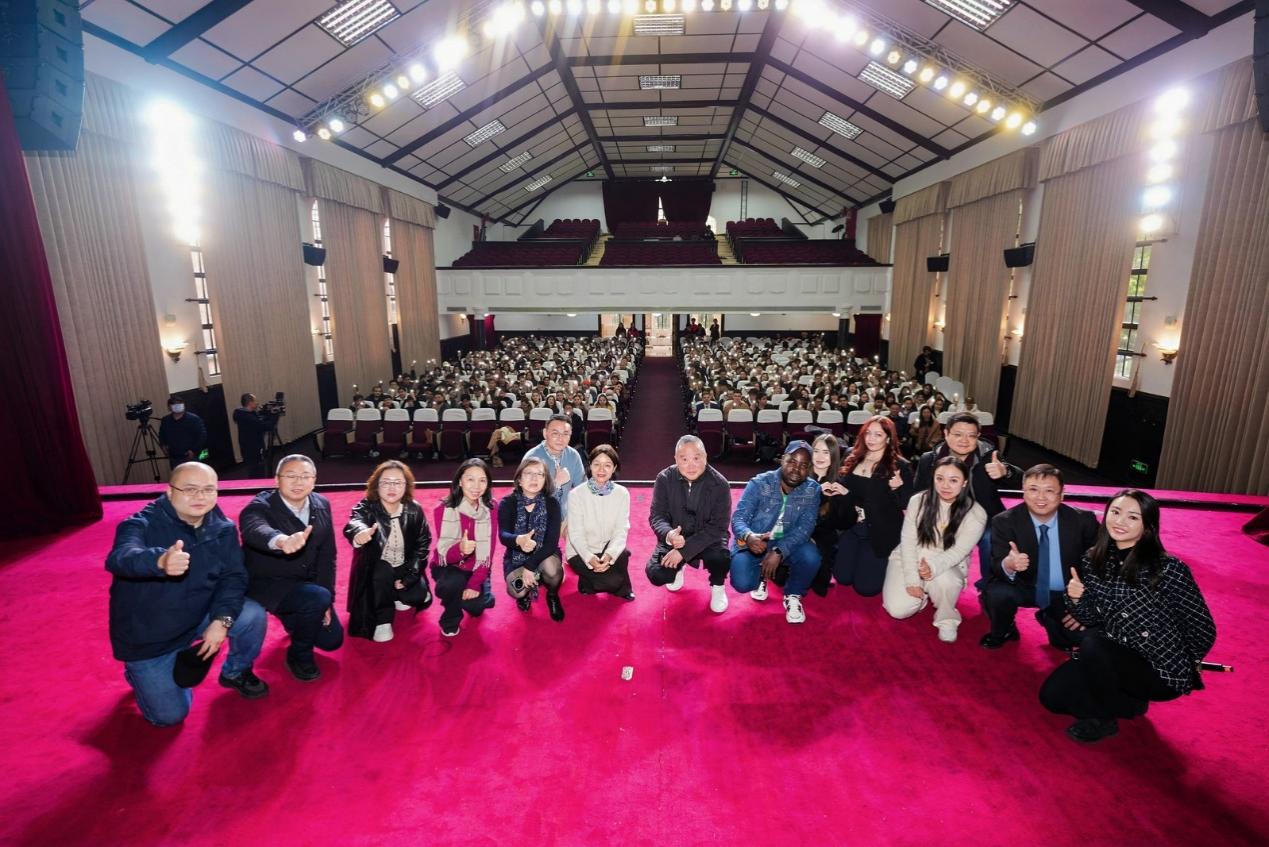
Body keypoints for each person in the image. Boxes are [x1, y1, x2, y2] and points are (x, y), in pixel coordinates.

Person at [1040, 490, 1217, 743]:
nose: (1120, 521)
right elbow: (1088, 617)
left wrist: (1187, 661)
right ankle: (1128, 702)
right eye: (1115, 512)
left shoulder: (1168, 569)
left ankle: (1104, 719)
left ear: (1148, 527)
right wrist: (1077, 598)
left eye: (1133, 517)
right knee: (1051, 697)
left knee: (1092, 644)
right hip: (1112, 654)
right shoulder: (1092, 560)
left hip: (1157, 667)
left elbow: (1202, 628)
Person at [106, 462, 267, 726]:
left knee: (252, 615)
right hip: (150, 635)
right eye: (190, 489)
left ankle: (235, 672)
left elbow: (233, 577)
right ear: (170, 491)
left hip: (197, 615)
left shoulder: (223, 527)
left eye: (208, 489)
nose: (200, 497)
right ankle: (139, 674)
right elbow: (121, 557)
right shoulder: (140, 523)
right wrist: (159, 561)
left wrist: (221, 621)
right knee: (169, 717)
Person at [239, 455, 343, 680]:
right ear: (277, 480)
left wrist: (328, 601)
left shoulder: (321, 504)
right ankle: (298, 655)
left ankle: (296, 615)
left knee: (332, 640)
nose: (298, 482)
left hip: (305, 583)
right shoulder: (260, 506)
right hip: (269, 582)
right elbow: (254, 528)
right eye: (291, 476)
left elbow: (328, 556)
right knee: (315, 598)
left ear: (314, 481)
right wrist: (280, 541)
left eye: (305, 476)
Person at [979, 465, 1100, 650]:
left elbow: (1100, 565)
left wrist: (1083, 605)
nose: (1040, 497)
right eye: (1033, 489)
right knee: (997, 593)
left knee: (1079, 638)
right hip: (1025, 585)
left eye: (1049, 491)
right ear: (1023, 492)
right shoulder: (1004, 521)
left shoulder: (1083, 521)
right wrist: (1009, 564)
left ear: (1062, 494)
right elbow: (997, 565)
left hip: (1068, 592)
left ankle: (1049, 616)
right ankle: (1004, 630)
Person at [882, 457, 986, 642]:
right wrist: (913, 579)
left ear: (964, 483)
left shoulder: (976, 513)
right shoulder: (917, 501)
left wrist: (932, 567)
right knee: (898, 610)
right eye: (940, 478)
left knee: (948, 581)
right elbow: (907, 541)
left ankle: (947, 619)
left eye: (953, 480)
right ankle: (923, 594)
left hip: (948, 562)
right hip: (911, 555)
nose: (945, 485)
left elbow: (958, 552)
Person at [913, 412, 1020, 584]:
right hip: (942, 516)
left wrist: (1005, 471)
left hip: (983, 516)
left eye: (971, 435)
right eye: (958, 434)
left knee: (990, 538)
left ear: (978, 436)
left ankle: (989, 584)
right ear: (946, 434)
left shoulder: (989, 457)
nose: (964, 440)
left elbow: (1021, 481)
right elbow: (918, 494)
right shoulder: (930, 459)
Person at [729, 440, 823, 624]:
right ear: (782, 459)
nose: (796, 469)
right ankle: (762, 576)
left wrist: (780, 551)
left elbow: (806, 527)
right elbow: (738, 518)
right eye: (792, 461)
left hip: (788, 542)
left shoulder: (812, 490)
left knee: (812, 557)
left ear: (809, 469)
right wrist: (748, 536)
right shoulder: (760, 483)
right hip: (757, 541)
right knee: (742, 583)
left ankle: (793, 594)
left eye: (803, 465)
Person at [344, 461, 433, 643]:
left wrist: (410, 577)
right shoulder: (367, 506)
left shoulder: (414, 509)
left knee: (417, 596)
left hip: (403, 565)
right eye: (386, 482)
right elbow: (355, 521)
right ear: (376, 485)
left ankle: (395, 594)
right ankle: (382, 619)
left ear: (406, 486)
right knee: (382, 570)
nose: (392, 488)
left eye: (398, 482)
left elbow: (423, 545)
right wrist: (359, 533)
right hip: (377, 570)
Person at [646, 435, 733, 607]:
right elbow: (657, 515)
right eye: (684, 459)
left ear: (705, 457)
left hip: (709, 538)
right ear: (676, 459)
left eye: (696, 458)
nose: (691, 465)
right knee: (657, 574)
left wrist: (684, 552)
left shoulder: (720, 484)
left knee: (721, 558)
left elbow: (718, 526)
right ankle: (679, 567)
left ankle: (718, 585)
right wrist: (670, 535)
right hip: (677, 537)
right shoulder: (664, 478)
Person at [834, 416, 913, 597]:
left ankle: (890, 564)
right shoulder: (851, 455)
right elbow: (842, 488)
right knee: (842, 578)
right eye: (868, 433)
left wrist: (896, 489)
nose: (871, 439)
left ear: (888, 438)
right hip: (851, 526)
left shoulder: (900, 465)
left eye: (878, 435)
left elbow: (906, 503)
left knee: (866, 589)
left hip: (879, 531)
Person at [430, 459, 498, 636]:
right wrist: (460, 549)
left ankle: (484, 587)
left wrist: (475, 584)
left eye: (482, 480)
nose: (476, 486)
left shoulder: (491, 508)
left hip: (477, 565)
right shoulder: (443, 509)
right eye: (470, 479)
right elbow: (443, 555)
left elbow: (489, 552)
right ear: (459, 481)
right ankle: (450, 619)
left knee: (477, 607)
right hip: (449, 566)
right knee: (451, 585)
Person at [498, 456, 565, 621]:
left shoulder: (552, 503)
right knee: (517, 591)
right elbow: (503, 535)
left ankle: (552, 595)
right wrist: (519, 540)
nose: (534, 478)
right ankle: (529, 588)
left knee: (552, 570)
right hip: (516, 557)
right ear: (519, 480)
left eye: (540, 474)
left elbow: (551, 544)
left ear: (545, 480)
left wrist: (530, 566)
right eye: (529, 473)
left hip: (545, 554)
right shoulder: (507, 502)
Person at [566, 444, 635, 601]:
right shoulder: (576, 494)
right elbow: (575, 534)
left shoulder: (622, 493)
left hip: (607, 547)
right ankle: (589, 581)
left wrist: (610, 554)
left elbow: (621, 529)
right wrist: (589, 557)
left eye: (607, 465)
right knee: (610, 582)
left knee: (620, 554)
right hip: (581, 551)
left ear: (614, 468)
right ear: (590, 466)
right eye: (597, 464)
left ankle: (623, 588)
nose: (601, 470)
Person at [807, 433, 856, 597]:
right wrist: (816, 493)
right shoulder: (799, 476)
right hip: (797, 531)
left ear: (833, 456)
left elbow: (845, 523)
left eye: (826, 452)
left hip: (824, 537)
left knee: (819, 583)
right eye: (816, 451)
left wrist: (847, 497)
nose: (820, 457)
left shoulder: (839, 482)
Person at [524, 414, 586, 521]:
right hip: (538, 518)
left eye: (565, 434)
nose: (560, 438)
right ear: (545, 433)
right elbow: (528, 500)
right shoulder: (532, 457)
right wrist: (557, 483)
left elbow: (582, 488)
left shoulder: (573, 455)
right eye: (555, 433)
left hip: (565, 517)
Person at [234, 393, 276, 478]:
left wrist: (267, 413)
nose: (257, 403)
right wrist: (275, 415)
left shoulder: (242, 413)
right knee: (257, 471)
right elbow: (266, 426)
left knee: (253, 470)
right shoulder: (248, 418)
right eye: (255, 401)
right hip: (253, 449)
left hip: (247, 448)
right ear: (250, 403)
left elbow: (258, 420)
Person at [158, 396, 206, 469]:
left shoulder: (194, 419)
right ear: (169, 407)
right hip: (174, 457)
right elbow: (161, 434)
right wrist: (163, 445)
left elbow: (202, 436)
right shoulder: (165, 420)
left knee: (194, 474)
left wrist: (193, 450)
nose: (177, 406)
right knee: (178, 475)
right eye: (174, 404)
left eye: (180, 404)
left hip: (190, 456)